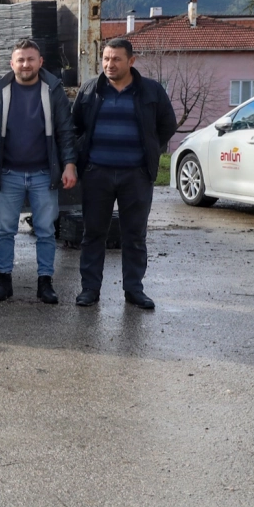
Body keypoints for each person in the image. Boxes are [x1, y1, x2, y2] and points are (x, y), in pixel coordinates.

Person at [70, 37, 177, 309]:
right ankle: (89, 289)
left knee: (134, 235)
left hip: (136, 176)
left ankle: (134, 290)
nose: (110, 64)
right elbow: (75, 126)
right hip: (97, 174)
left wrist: (149, 150)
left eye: (116, 59)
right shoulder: (90, 89)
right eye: (106, 59)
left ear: (131, 61)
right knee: (93, 234)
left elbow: (167, 125)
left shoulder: (151, 91)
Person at [0, 39, 77, 305]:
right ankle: (4, 280)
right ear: (11, 63)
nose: (25, 64)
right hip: (8, 173)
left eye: (31, 59)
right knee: (5, 230)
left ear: (40, 62)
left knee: (45, 230)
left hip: (44, 173)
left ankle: (45, 282)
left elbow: (66, 131)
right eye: (20, 60)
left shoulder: (53, 90)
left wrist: (69, 164)